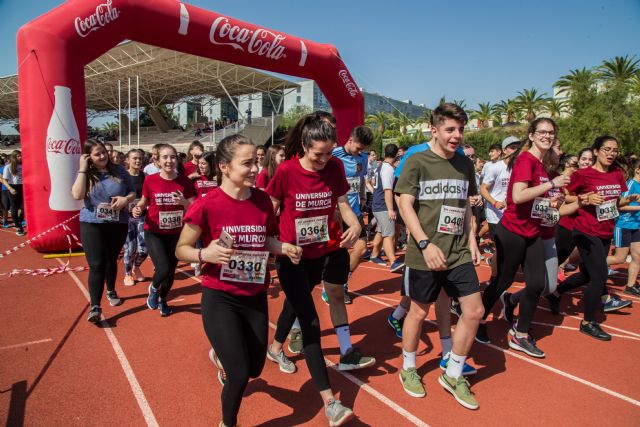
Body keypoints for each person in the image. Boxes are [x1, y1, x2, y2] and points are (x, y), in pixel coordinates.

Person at [175, 135, 303, 427]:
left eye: (256, 161)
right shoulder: (208, 205)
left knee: (256, 368)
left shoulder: (261, 201)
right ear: (224, 167)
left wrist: (285, 248)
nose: (255, 168)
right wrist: (205, 253)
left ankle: (221, 358)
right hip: (220, 297)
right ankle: (228, 422)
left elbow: (268, 239)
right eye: (247, 163)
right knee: (240, 372)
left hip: (254, 294)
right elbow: (181, 249)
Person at [265, 116, 360, 426]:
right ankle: (330, 402)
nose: (323, 160)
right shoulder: (286, 171)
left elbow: (342, 201)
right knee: (310, 320)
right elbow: (271, 209)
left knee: (296, 302)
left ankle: (276, 347)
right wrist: (272, 245)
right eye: (317, 154)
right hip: (291, 256)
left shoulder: (333, 168)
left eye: (328, 153)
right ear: (304, 147)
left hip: (320, 251)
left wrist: (355, 223)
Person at [395, 103, 483, 409]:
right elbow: (405, 205)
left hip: (457, 251)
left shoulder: (464, 164)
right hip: (425, 254)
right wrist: (423, 243)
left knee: (474, 312)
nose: (457, 135)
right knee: (418, 313)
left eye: (461, 129)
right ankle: (408, 367)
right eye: (450, 129)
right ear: (434, 130)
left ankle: (453, 373)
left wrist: (472, 237)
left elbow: (466, 204)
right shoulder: (417, 161)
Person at [477, 119, 569, 359]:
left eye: (551, 132)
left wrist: (552, 201)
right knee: (503, 280)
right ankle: (476, 318)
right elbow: (517, 197)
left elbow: (533, 199)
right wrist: (552, 184)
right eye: (542, 132)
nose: (547, 136)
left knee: (538, 284)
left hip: (534, 231)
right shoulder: (526, 160)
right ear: (531, 135)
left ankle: (520, 333)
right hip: (513, 231)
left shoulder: (540, 163)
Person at [551, 136, 638, 340]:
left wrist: (628, 199)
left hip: (606, 230)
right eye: (606, 149)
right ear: (596, 151)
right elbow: (566, 195)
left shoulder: (617, 174)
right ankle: (588, 322)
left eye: (615, 150)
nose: (611, 153)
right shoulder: (583, 174)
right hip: (585, 230)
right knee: (599, 276)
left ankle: (555, 292)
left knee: (590, 275)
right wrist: (586, 199)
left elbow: (616, 202)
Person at [71, 140, 135, 322]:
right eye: (97, 154)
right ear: (88, 157)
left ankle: (111, 289)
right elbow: (77, 195)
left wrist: (125, 199)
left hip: (117, 222)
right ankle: (95, 307)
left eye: (104, 152)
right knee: (97, 264)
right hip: (92, 223)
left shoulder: (119, 170)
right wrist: (83, 169)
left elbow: (132, 191)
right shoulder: (86, 174)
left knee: (111, 260)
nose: (102, 156)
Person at [132, 144, 196, 316]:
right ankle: (154, 288)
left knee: (171, 271)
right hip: (154, 231)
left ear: (177, 159)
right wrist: (138, 208)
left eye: (173, 157)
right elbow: (144, 202)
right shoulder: (150, 180)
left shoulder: (185, 181)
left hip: (177, 233)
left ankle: (163, 299)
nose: (169, 161)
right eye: (165, 157)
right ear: (157, 161)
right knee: (164, 267)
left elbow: (196, 207)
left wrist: (185, 203)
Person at [330, 125, 374, 296]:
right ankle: (331, 287)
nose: (359, 152)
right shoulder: (334, 155)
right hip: (337, 212)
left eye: (362, 149)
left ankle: (341, 282)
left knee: (362, 248)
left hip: (354, 211)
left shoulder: (362, 158)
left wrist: (362, 196)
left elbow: (361, 178)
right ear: (350, 140)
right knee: (337, 253)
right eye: (358, 148)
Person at [479, 136, 520, 281]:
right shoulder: (495, 168)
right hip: (496, 214)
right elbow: (483, 189)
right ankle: (494, 277)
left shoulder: (520, 168)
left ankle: (499, 269)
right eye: (512, 147)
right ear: (504, 150)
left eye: (518, 148)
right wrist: (495, 202)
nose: (516, 151)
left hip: (514, 214)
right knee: (501, 248)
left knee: (512, 248)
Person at [369, 143, 404, 272]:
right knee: (389, 234)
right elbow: (388, 190)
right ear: (396, 155)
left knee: (380, 231)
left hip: (378, 204)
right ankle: (393, 262)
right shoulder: (388, 169)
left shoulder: (380, 166)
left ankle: (374, 255)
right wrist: (390, 209)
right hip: (383, 206)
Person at [607, 158, 640, 296]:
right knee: (619, 258)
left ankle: (630, 286)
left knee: (638, 257)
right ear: (638, 170)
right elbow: (619, 206)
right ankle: (590, 263)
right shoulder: (630, 184)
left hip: (637, 226)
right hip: (624, 224)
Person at [122, 149, 148, 287]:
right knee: (130, 249)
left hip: (142, 217)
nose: (138, 161)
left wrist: (141, 206)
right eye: (134, 158)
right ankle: (127, 274)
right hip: (127, 218)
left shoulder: (145, 176)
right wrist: (128, 206)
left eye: (140, 158)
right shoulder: (122, 177)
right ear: (127, 160)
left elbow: (148, 197)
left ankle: (136, 267)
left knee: (144, 249)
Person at [2, 150, 25, 236]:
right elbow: (4, 180)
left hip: (22, 186)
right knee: (14, 207)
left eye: (21, 156)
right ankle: (18, 227)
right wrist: (10, 188)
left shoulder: (23, 165)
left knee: (23, 208)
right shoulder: (8, 167)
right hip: (13, 187)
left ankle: (19, 221)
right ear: (14, 157)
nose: (20, 157)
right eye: (18, 156)